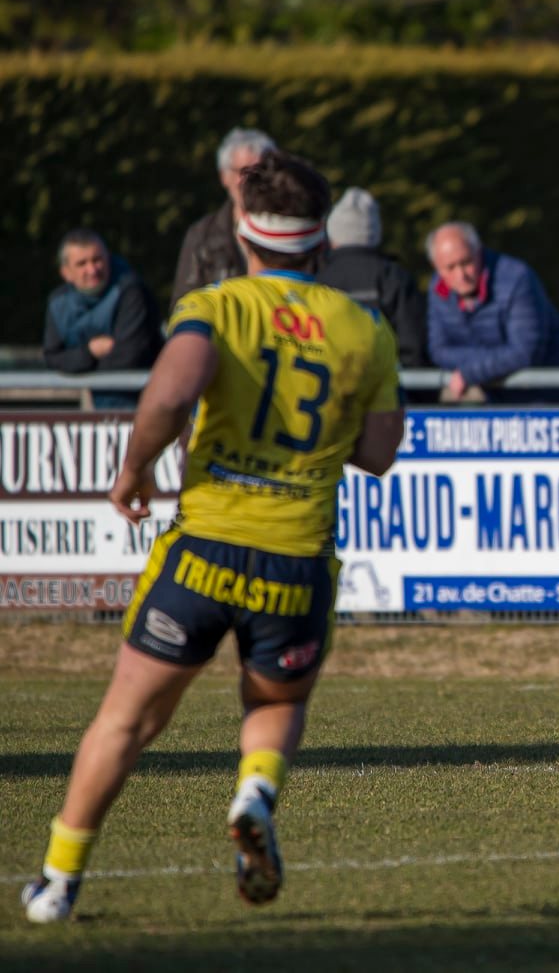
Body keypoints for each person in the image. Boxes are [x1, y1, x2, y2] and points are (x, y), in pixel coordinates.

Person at [20, 151, 405, 924]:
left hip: (205, 549)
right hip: (297, 559)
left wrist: (133, 470)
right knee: (272, 702)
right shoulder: (365, 329)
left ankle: (59, 879)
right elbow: (378, 453)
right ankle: (255, 791)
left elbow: (170, 390)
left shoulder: (215, 306)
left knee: (127, 718)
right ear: (319, 241)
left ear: (242, 231)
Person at [425, 221, 559, 404]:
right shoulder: (437, 289)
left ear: (478, 252)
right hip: (504, 401)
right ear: (436, 266)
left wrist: (470, 372)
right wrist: (491, 362)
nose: (461, 275)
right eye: (450, 267)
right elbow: (438, 350)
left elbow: (525, 351)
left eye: (466, 262)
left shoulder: (516, 278)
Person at [42, 229, 164, 407]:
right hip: (101, 405)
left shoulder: (131, 291)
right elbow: (53, 358)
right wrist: (90, 352)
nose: (92, 270)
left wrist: (77, 363)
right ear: (66, 272)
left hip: (144, 402)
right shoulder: (58, 303)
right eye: (82, 263)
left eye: (97, 260)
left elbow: (127, 357)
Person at [316, 187, 429, 367]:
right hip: (385, 386)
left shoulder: (317, 276)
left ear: (332, 232)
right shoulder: (393, 276)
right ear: (375, 233)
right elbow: (412, 343)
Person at [171, 127, 277, 307]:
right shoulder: (202, 235)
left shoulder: (290, 227)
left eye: (260, 170)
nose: (251, 180)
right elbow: (183, 305)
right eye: (243, 171)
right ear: (224, 176)